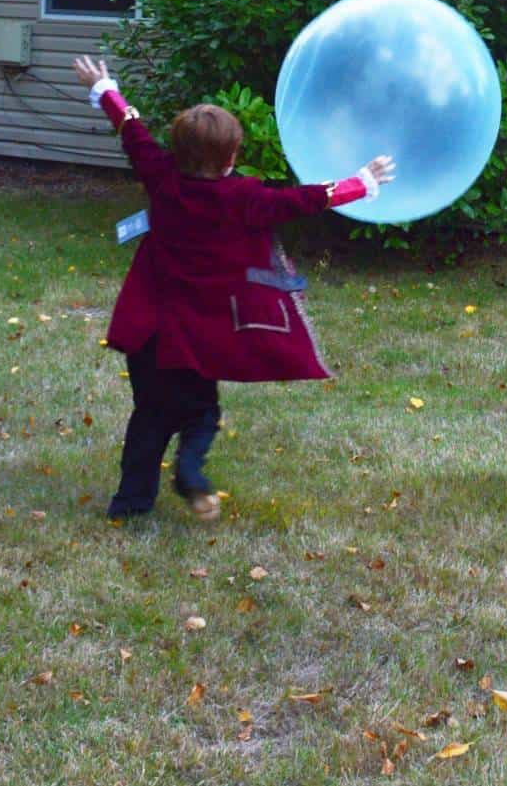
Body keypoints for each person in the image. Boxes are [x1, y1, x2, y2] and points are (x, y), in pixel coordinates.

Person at [73, 55, 395, 522]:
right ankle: (189, 474)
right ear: (231, 157)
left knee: (148, 414)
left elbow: (131, 130)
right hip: (196, 338)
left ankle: (130, 503)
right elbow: (306, 199)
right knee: (200, 414)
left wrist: (104, 87)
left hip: (148, 329)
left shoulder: (161, 176)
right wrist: (361, 183)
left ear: (177, 150)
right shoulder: (244, 199)